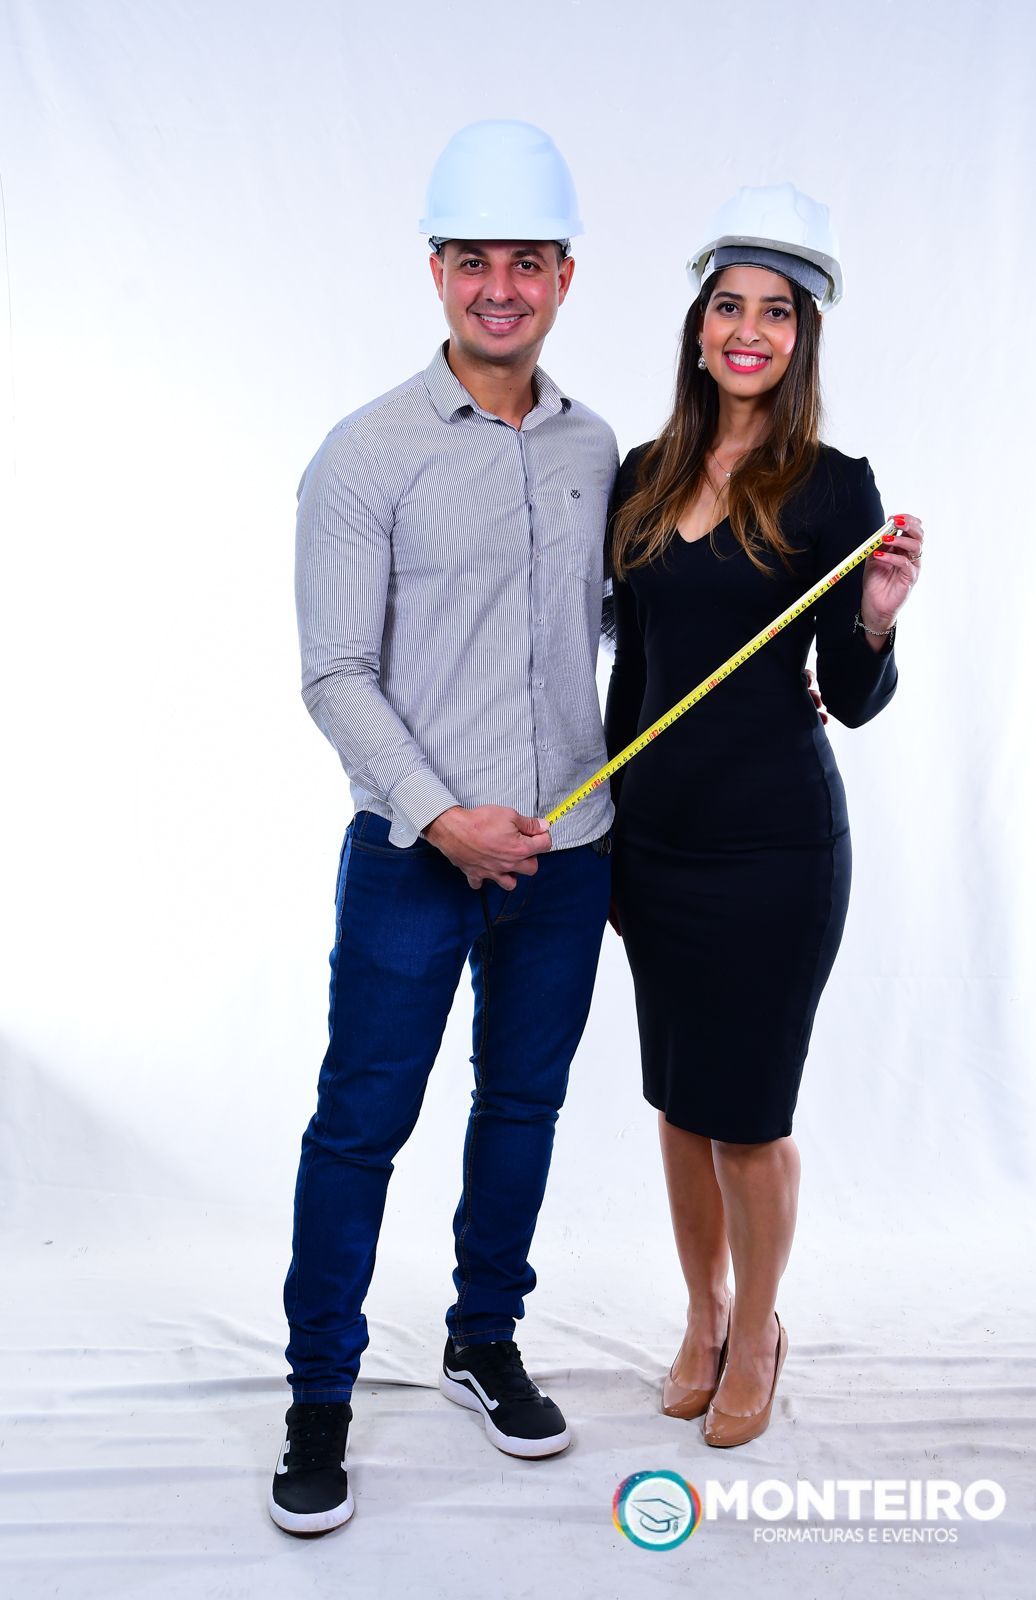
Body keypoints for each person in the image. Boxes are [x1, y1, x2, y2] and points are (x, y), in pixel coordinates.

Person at [270, 121, 618, 1535]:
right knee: (359, 1126)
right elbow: (332, 673)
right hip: (411, 863)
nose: (499, 288)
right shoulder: (364, 454)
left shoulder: (596, 448)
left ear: (563, 277)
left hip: (568, 856)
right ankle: (318, 1396)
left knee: (521, 1108)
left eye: (526, 262)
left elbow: (609, 624)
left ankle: (484, 1339)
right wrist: (440, 820)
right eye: (473, 261)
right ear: (435, 273)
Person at [604, 184, 924, 1448]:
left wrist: (875, 620)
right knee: (677, 1105)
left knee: (746, 1115)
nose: (749, 330)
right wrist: (604, 830)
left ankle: (758, 1329)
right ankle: (701, 1313)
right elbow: (628, 674)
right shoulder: (640, 476)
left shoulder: (833, 490)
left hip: (772, 854)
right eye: (728, 306)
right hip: (651, 848)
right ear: (697, 331)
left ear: (801, 338)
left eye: (775, 312)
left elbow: (847, 693)